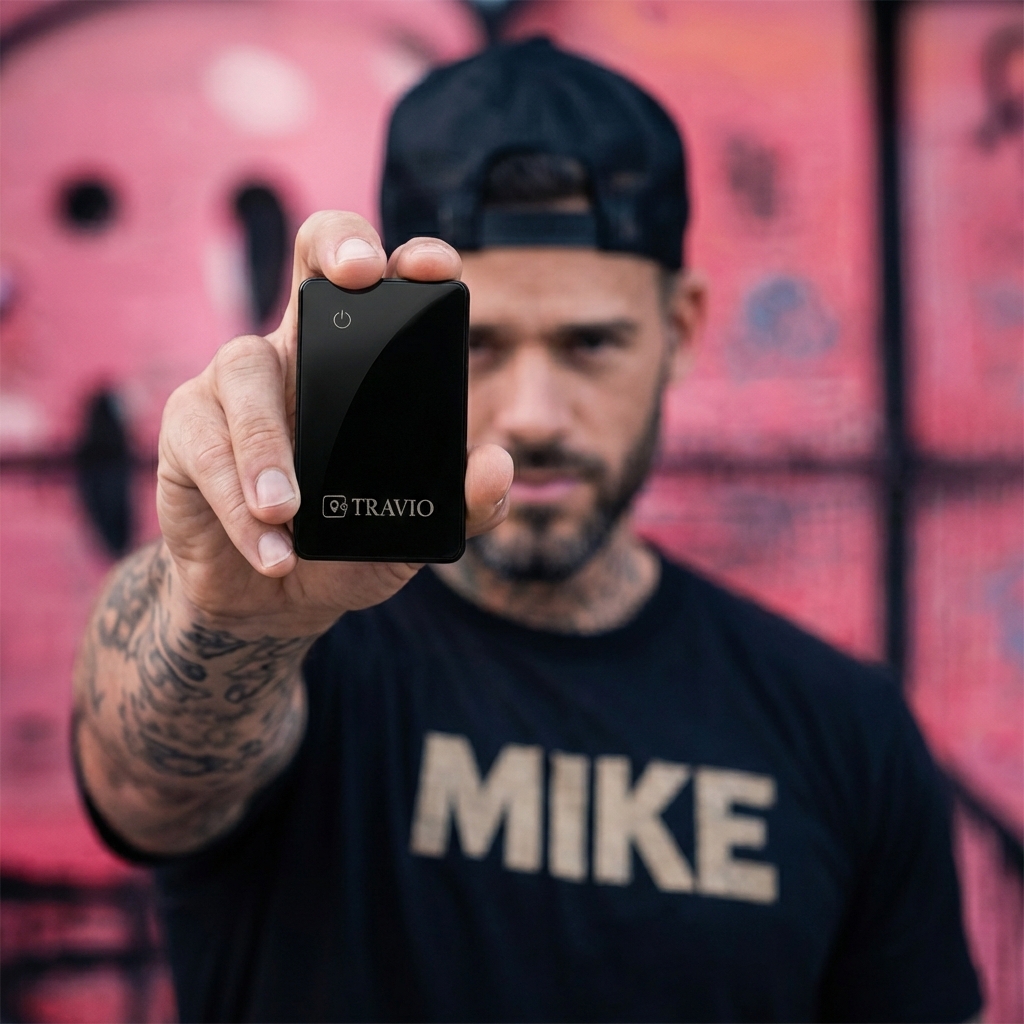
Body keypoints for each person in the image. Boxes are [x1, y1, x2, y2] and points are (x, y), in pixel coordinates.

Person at [73, 39, 981, 1023]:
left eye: (591, 344)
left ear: (679, 329)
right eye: (475, 346)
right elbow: (145, 789)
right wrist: (234, 620)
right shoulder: (303, 639)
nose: (537, 414)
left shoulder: (845, 730)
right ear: (390, 343)